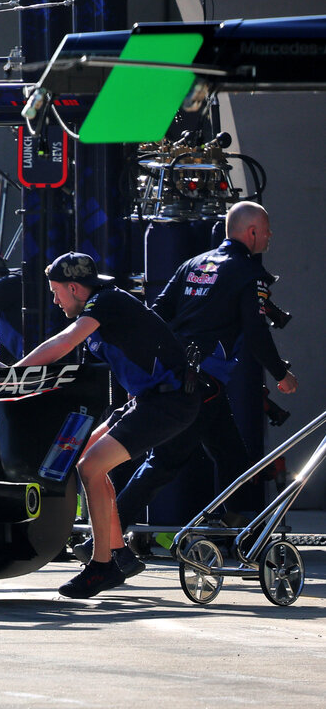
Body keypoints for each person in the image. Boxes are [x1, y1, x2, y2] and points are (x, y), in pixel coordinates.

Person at [12, 251, 199, 598]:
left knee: (91, 466)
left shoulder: (106, 301)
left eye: (56, 292)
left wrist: (11, 377)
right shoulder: (97, 311)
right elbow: (75, 372)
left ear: (74, 288)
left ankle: (102, 567)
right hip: (146, 400)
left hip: (169, 401)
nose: (54, 300)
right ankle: (120, 554)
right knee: (81, 457)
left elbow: (63, 343)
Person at [115, 202, 298, 545]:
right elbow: (256, 332)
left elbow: (155, 315)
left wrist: (146, 370)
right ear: (252, 232)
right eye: (268, 229)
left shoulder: (192, 264)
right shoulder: (247, 273)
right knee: (164, 463)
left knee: (232, 456)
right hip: (199, 385)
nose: (271, 235)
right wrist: (281, 373)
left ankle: (235, 525)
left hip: (189, 381)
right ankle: (106, 535)